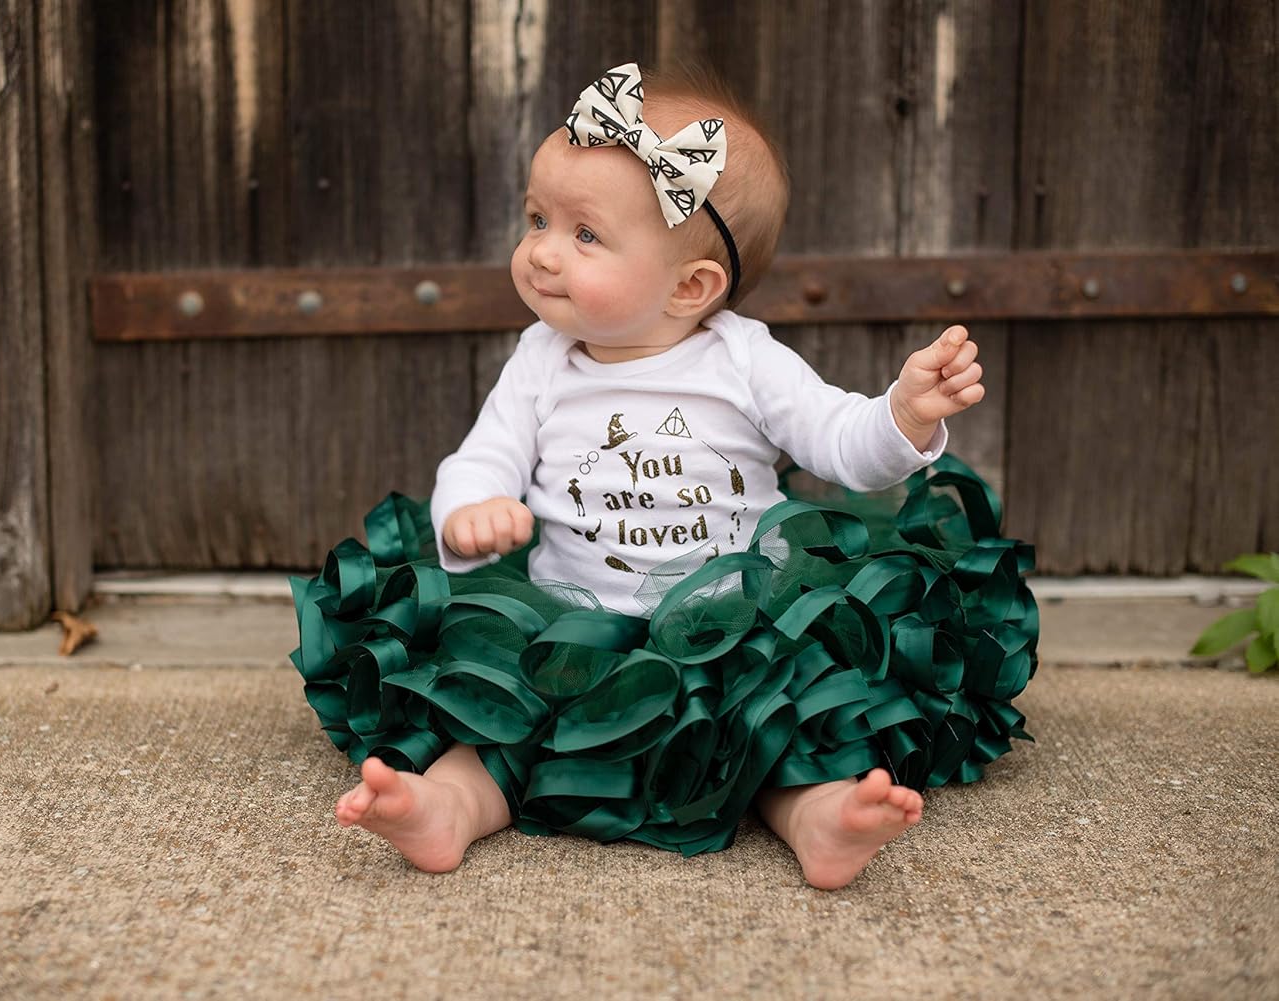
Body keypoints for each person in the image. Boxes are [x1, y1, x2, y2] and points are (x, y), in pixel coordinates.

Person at [291, 63, 1036, 889]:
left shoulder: (743, 359)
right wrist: (473, 507)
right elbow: (483, 455)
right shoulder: (542, 361)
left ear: (691, 286)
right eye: (537, 217)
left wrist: (905, 411)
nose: (539, 251)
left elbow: (836, 440)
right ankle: (448, 809)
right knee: (504, 718)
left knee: (773, 719)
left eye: (584, 235)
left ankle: (818, 816)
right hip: (574, 626)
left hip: (737, 622)